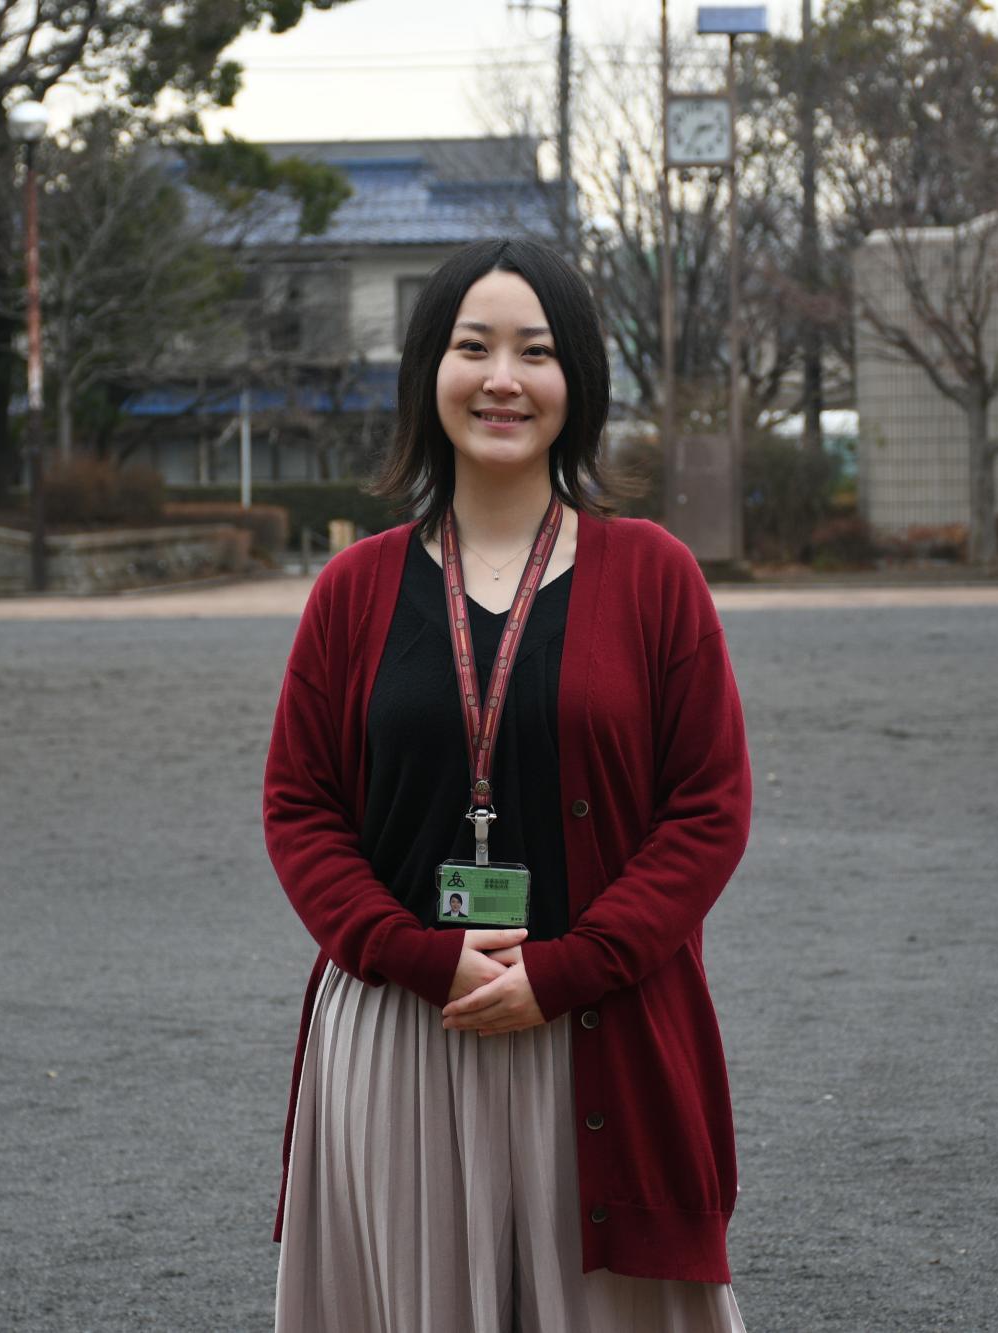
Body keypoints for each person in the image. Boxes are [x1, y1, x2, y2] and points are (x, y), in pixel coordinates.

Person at [263, 235, 753, 1332]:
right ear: (426, 373)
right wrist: (414, 954)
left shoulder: (653, 577)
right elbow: (299, 808)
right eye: (469, 345)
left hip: (599, 1026)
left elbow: (706, 807)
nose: (500, 378)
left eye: (533, 351)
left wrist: (573, 967)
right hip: (402, 1031)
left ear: (574, 380)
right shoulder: (352, 590)